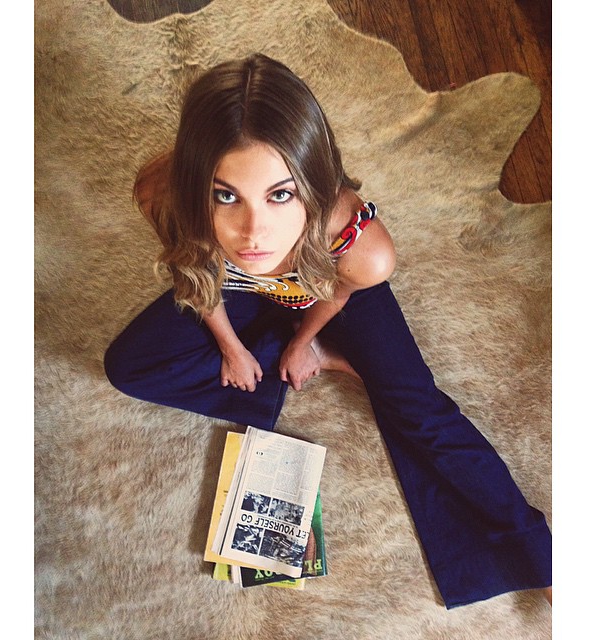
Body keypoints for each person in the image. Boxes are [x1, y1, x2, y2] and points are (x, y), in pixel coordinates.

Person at [104, 53, 552, 609]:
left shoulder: (362, 247)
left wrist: (304, 342)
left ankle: (542, 560)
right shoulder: (165, 194)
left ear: (311, 182)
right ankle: (311, 354)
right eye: (226, 196)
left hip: (323, 286)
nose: (253, 233)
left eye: (280, 194)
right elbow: (194, 273)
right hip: (239, 294)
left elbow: (336, 293)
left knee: (418, 409)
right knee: (128, 367)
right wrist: (232, 348)